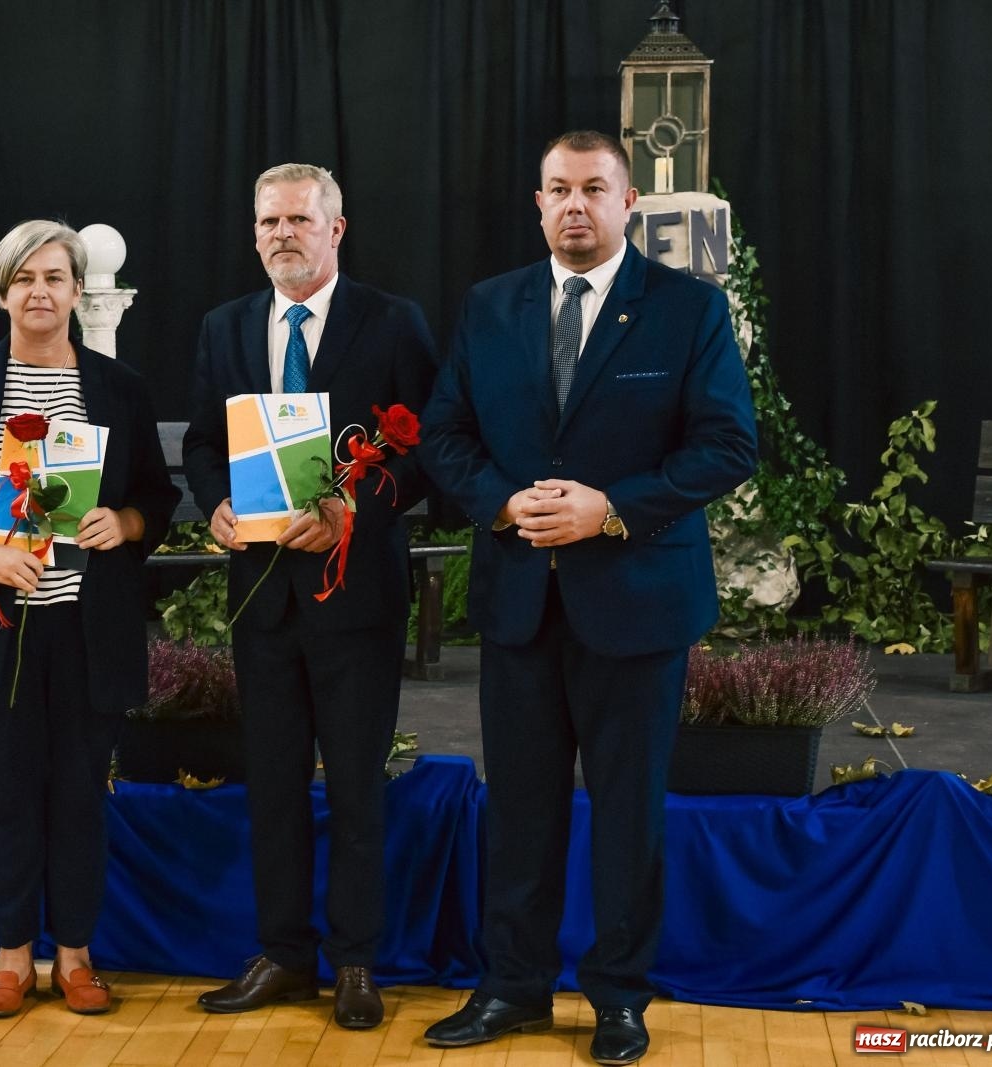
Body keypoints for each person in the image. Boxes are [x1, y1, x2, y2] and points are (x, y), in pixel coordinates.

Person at [417, 131, 758, 1064]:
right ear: (537, 203)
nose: (576, 205)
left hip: (638, 606)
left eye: (594, 189)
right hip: (521, 603)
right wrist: (499, 500)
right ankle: (514, 989)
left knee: (627, 811)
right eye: (559, 190)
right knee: (519, 808)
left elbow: (728, 445)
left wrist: (612, 510)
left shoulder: (687, 309)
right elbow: (444, 435)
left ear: (628, 202)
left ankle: (619, 997)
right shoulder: (491, 307)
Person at [0, 220, 178, 1019]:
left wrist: (123, 524)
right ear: (1, 295)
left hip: (87, 630)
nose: (39, 292)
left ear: (76, 291)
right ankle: (13, 958)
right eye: (23, 279)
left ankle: (77, 957)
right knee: (9, 799)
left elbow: (155, 500)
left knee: (81, 797)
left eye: (55, 277)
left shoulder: (117, 388)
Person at [184, 164, 436, 1030]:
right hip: (261, 595)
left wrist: (354, 510)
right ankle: (284, 954)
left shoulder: (393, 322)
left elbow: (429, 452)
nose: (280, 233)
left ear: (336, 229)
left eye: (298, 218)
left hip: (355, 597)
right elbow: (203, 449)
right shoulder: (224, 327)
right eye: (267, 222)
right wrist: (213, 502)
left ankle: (356, 960)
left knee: (357, 785)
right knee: (274, 785)